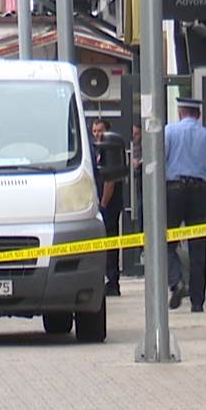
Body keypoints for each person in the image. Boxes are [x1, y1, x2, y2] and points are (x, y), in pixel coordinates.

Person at [164, 96, 206, 312]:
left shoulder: (168, 132)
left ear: (180, 112)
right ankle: (197, 302)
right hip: (199, 194)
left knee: (164, 242)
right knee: (198, 247)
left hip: (173, 191)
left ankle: (176, 281)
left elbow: (156, 162)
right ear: (199, 114)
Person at [91, 119, 126, 296]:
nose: (97, 134)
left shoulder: (109, 149)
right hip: (101, 203)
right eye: (94, 131)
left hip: (109, 205)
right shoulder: (97, 151)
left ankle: (113, 281)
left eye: (100, 131)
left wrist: (103, 205)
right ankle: (107, 279)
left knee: (110, 243)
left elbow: (109, 181)